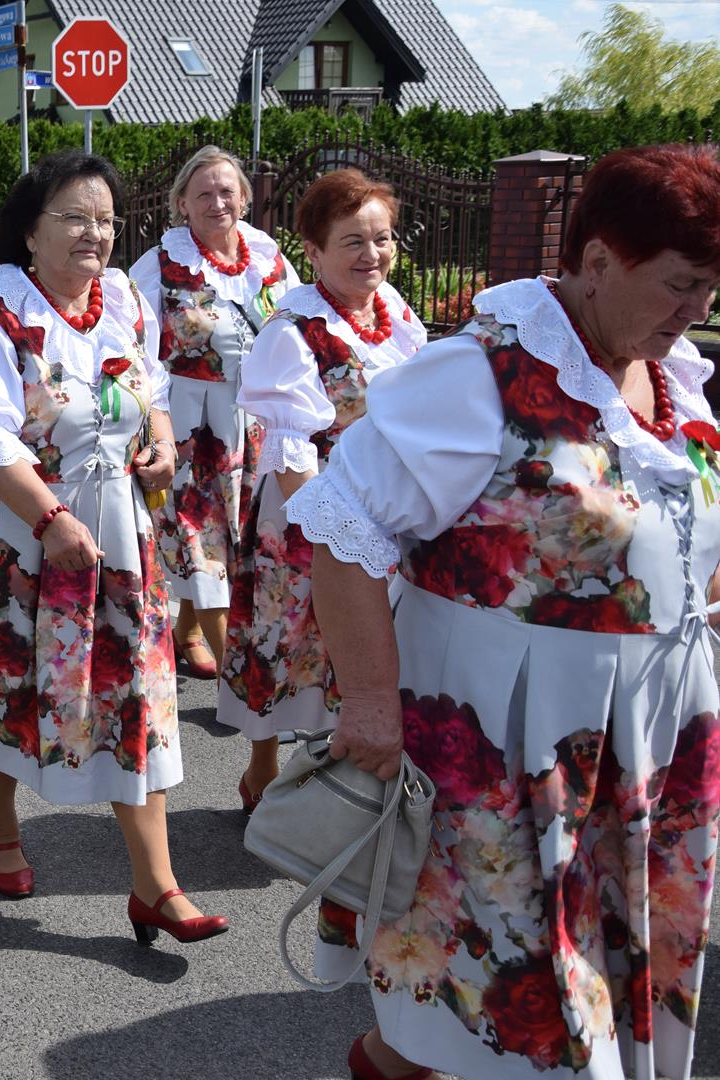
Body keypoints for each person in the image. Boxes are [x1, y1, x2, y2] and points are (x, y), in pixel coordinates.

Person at [284, 143, 720, 1080]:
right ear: (597, 261)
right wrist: (368, 700)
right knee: (520, 1009)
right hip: (507, 744)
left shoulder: (672, 378)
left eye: (712, 289)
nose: (699, 313)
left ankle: (386, 1065)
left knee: (540, 995)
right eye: (682, 285)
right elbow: (338, 521)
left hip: (645, 737)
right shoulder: (479, 374)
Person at [0, 151, 224, 948]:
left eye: (105, 219)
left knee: (134, 694)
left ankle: (156, 886)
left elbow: (155, 391)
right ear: (30, 231)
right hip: (14, 532)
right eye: (75, 217)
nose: (95, 233)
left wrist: (163, 443)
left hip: (117, 533)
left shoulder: (127, 301)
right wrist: (48, 519)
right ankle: (1, 829)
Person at [219, 169, 426, 810]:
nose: (373, 255)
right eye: (353, 242)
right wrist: (330, 528)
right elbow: (290, 449)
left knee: (373, 651)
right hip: (314, 510)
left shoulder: (398, 316)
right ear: (313, 251)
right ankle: (263, 769)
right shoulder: (292, 331)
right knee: (294, 641)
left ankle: (354, 784)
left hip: (392, 506)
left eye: (383, 239)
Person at [130, 146, 300, 680]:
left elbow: (298, 330)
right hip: (185, 419)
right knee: (198, 532)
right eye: (202, 192)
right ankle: (240, 679)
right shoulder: (161, 264)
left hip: (251, 419)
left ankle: (187, 631)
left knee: (238, 532)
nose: (216, 201)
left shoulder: (270, 261)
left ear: (245, 198)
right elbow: (128, 339)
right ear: (182, 203)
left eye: (227, 190)